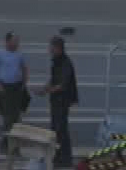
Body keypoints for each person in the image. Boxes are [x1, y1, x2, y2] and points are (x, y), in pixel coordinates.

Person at [42, 36, 78, 168]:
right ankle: (57, 157)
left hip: (62, 101)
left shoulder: (66, 63)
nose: (49, 50)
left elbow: (62, 84)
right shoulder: (56, 61)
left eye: (51, 47)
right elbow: (53, 79)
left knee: (61, 130)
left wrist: (49, 90)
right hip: (55, 101)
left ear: (58, 48)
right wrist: (44, 89)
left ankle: (65, 159)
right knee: (55, 130)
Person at [0, 32, 29, 147]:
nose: (17, 43)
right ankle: (6, 144)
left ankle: (14, 143)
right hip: (4, 87)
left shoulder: (19, 55)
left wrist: (24, 83)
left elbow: (25, 68)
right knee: (7, 116)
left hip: (16, 87)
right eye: (14, 40)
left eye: (17, 41)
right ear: (8, 41)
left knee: (16, 116)